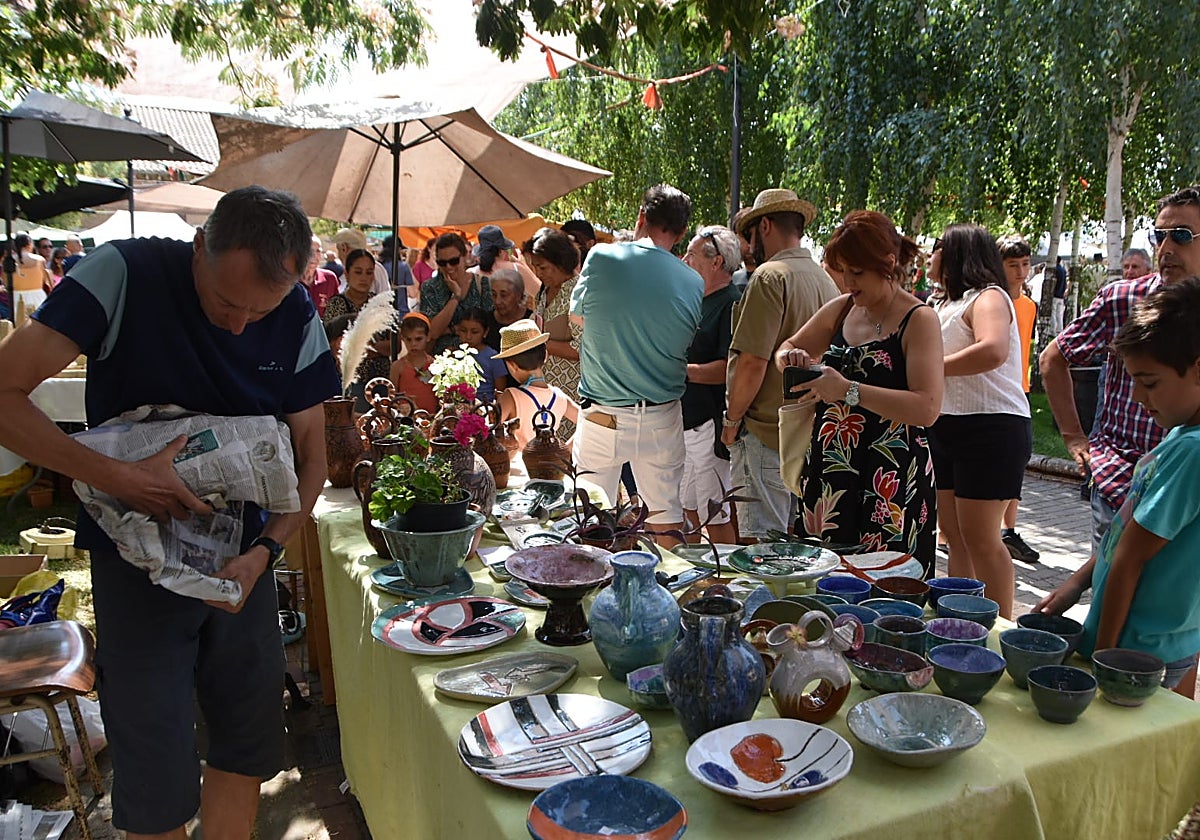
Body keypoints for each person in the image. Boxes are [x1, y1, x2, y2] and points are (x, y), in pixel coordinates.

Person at [0, 186, 339, 839]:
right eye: (226, 302)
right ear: (198, 249)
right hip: (135, 558)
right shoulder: (121, 273)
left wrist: (262, 554)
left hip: (241, 556)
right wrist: (116, 477)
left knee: (245, 745)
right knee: (153, 760)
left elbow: (313, 463)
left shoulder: (295, 312)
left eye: (258, 311)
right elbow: (5, 392)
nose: (240, 326)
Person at [1036, 277, 1200, 699]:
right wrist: (1077, 582)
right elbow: (1125, 531)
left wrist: (1102, 660)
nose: (1139, 397)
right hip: (1152, 637)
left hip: (1135, 647)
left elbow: (1129, 557)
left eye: (1150, 382)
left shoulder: (1191, 452)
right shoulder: (1180, 432)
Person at [776, 211, 942, 572]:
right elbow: (784, 349)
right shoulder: (842, 309)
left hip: (890, 478)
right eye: (843, 271)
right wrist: (791, 357)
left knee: (886, 586)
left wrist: (848, 390)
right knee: (824, 580)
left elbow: (928, 407)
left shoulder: (919, 319)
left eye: (857, 272)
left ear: (888, 263)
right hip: (831, 473)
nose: (848, 282)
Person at [1040, 187, 1200, 553]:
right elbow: (1053, 358)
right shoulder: (1124, 300)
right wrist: (1074, 437)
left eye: (1181, 235)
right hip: (1123, 483)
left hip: (1191, 491)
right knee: (1114, 592)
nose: (1166, 248)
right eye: (1159, 236)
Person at [570, 184, 703, 544]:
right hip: (662, 416)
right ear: (681, 232)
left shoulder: (602, 257)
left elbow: (579, 317)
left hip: (604, 414)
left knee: (592, 520)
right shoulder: (694, 281)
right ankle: (672, 593)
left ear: (641, 217)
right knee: (666, 520)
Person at [721, 188, 839, 539]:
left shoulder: (770, 277)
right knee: (796, 553)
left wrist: (732, 420)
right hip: (806, 434)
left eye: (749, 234)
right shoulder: (825, 280)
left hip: (765, 433)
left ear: (766, 225)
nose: (747, 245)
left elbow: (752, 362)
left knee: (763, 552)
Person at [928, 224, 1031, 618]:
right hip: (948, 426)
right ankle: (959, 618)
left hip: (991, 427)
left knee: (982, 538)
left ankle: (1000, 627)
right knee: (955, 536)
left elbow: (991, 350)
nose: (930, 257)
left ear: (958, 254)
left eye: (937, 248)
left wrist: (931, 369)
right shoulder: (942, 304)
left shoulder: (989, 297)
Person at [680, 225, 743, 545]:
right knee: (687, 509)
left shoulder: (732, 302)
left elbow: (729, 368)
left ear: (716, 261)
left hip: (710, 423)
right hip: (687, 422)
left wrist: (682, 371)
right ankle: (696, 576)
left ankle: (731, 587)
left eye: (691, 254)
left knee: (713, 513)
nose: (684, 259)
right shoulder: (697, 298)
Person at [996, 234, 1040, 564]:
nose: (1021, 271)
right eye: (1013, 265)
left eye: (1025, 264)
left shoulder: (1029, 305)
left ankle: (1009, 528)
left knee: (1015, 465)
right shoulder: (993, 302)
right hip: (996, 389)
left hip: (1019, 387)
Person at [526, 227, 584, 438]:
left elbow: (582, 349)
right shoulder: (544, 290)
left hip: (571, 388)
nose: (538, 274)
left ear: (560, 262)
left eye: (543, 267)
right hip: (546, 387)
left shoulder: (578, 292)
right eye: (535, 267)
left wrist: (539, 343)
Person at [495, 319, 580, 451]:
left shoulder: (511, 396)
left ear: (511, 366)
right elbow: (587, 422)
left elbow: (487, 429)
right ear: (546, 356)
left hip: (520, 469)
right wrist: (565, 451)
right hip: (552, 469)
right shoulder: (559, 395)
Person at [420, 232, 494, 355]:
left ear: (465, 257)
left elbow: (487, 327)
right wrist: (455, 297)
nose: (448, 267)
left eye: (453, 261)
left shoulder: (482, 284)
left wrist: (452, 329)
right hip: (441, 361)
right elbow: (433, 332)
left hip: (477, 358)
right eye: (442, 263)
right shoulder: (430, 287)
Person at [472, 224, 540, 304]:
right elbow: (542, 293)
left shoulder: (471, 272)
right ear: (501, 251)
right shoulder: (516, 269)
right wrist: (524, 267)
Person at [454, 307, 507, 401]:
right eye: (463, 331)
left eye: (474, 332)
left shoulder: (494, 357)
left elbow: (500, 392)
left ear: (485, 332)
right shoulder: (455, 355)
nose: (468, 336)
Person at [389, 313, 438, 413]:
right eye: (408, 339)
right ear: (403, 338)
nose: (413, 344)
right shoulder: (398, 367)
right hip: (407, 422)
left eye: (418, 339)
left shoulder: (436, 365)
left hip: (433, 420)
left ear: (428, 337)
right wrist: (399, 407)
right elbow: (391, 399)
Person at [486, 268, 534, 351]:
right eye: (494, 295)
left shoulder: (531, 321)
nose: (498, 301)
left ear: (518, 295)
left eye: (504, 295)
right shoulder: (485, 321)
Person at [331, 228, 389, 296]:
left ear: (344, 247)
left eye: (338, 249)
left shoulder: (373, 268)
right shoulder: (376, 267)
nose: (338, 255)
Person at [9, 233, 52, 323]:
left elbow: (6, 283)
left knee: (18, 325)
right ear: (29, 244)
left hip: (16, 297)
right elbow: (44, 280)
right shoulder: (40, 260)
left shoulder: (9, 260)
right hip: (37, 296)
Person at [302, 235, 340, 318]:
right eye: (309, 251)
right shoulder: (289, 280)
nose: (314, 256)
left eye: (318, 251)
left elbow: (336, 313)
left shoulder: (330, 278)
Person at [379, 234, 416, 314]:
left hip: (382, 312)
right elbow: (413, 293)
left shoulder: (379, 266)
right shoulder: (403, 266)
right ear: (398, 249)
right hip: (401, 312)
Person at [1052, 255, 1069, 334]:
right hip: (1061, 295)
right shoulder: (1063, 270)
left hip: (1055, 294)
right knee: (1059, 314)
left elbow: (1054, 282)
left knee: (1053, 313)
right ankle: (1060, 329)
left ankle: (1053, 330)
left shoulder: (1055, 270)